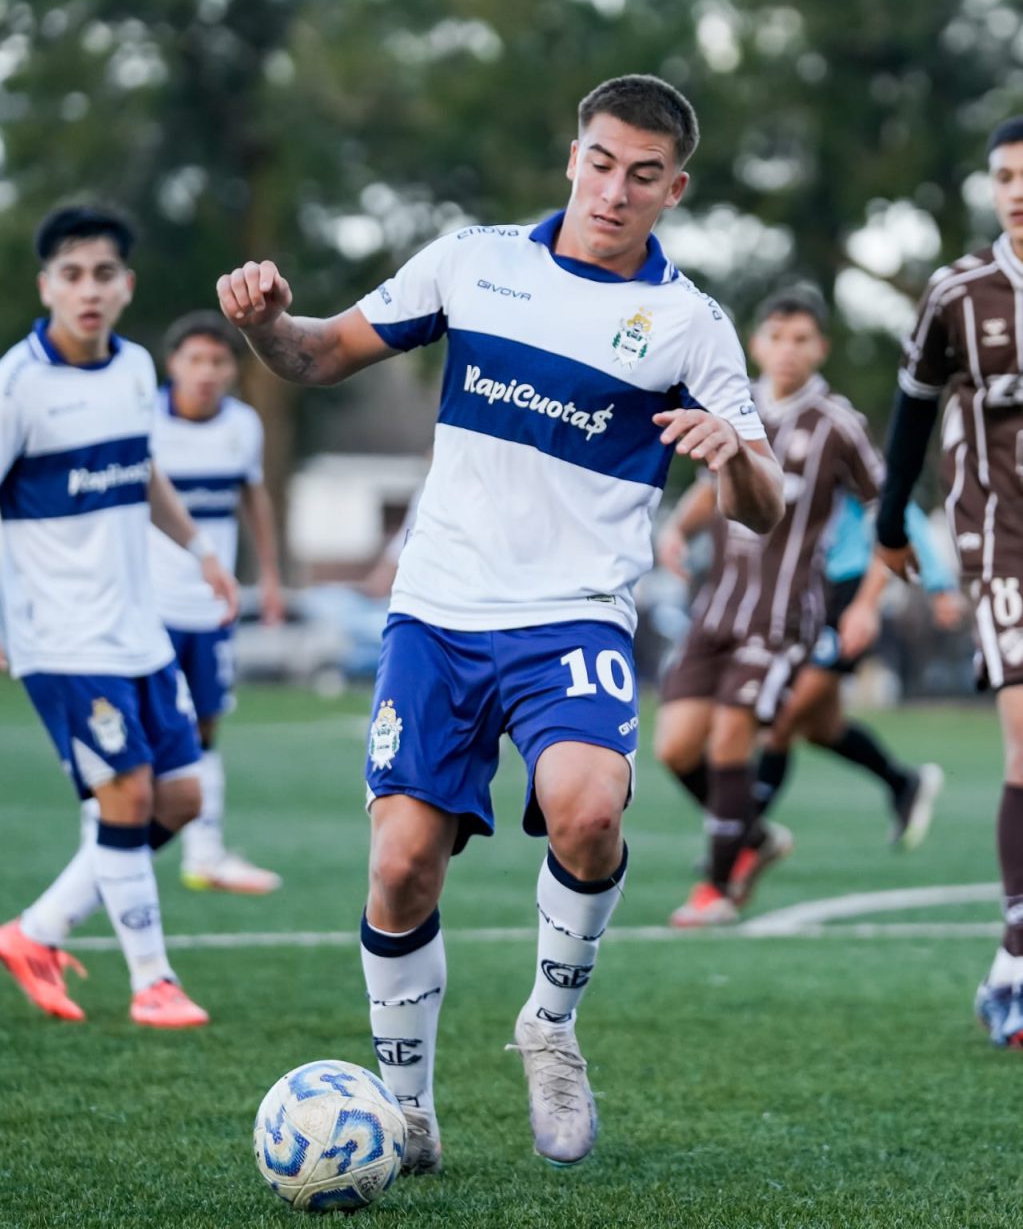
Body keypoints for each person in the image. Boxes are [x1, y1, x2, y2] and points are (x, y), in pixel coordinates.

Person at [217, 74, 784, 1171]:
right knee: (400, 868)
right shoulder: (472, 263)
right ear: (574, 157)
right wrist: (264, 324)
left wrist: (734, 458)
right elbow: (318, 353)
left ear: (674, 190)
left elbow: (764, 505)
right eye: (601, 162)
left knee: (588, 808)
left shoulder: (690, 325)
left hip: (574, 615)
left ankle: (551, 1027)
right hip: (437, 611)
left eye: (644, 175)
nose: (615, 190)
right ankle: (407, 1113)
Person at [0, 205, 237, 1027]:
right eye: (71, 275)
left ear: (126, 286)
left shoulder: (136, 369)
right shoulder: (17, 385)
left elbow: (141, 473)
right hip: (59, 634)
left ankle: (37, 932)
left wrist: (200, 549)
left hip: (138, 630)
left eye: (103, 274)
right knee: (127, 793)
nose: (88, 290)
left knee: (180, 799)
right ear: (46, 287)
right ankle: (152, 982)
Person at [654, 289, 884, 926]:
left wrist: (867, 602)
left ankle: (718, 887)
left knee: (732, 737)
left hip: (782, 618)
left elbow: (886, 510)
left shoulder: (837, 423)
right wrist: (677, 531)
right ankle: (752, 834)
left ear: (821, 349)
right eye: (777, 337)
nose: (788, 350)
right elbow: (709, 486)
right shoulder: (733, 406)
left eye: (801, 339)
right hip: (717, 609)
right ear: (756, 344)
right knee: (675, 748)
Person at [876, 114, 1023, 1049]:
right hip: (999, 538)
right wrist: (891, 518)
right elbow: (913, 408)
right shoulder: (958, 293)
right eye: (1005, 176)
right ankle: (1020, 956)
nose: (1017, 191)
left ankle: (1009, 960)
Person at [150, 311, 284, 895]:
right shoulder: (143, 419)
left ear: (233, 369)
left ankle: (203, 855)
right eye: (195, 359)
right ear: (172, 364)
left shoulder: (243, 425)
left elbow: (254, 497)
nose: (206, 372)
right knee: (141, 727)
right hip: (146, 604)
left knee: (206, 724)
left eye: (218, 361)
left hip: (211, 607)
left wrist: (270, 577)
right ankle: (115, 844)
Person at [745, 493, 955, 850]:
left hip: (846, 594)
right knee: (821, 728)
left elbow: (898, 508)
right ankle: (903, 783)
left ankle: (742, 839)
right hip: (807, 593)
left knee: (783, 717)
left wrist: (939, 585)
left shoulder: (842, 457)